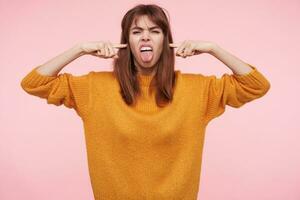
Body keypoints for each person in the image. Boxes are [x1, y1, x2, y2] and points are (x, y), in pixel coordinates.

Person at [20, 3, 271, 200]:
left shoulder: (198, 89)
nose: (145, 38)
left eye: (155, 31)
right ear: (127, 42)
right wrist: (80, 48)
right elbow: (34, 83)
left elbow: (256, 85)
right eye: (136, 32)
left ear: (166, 41)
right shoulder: (94, 88)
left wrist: (213, 48)